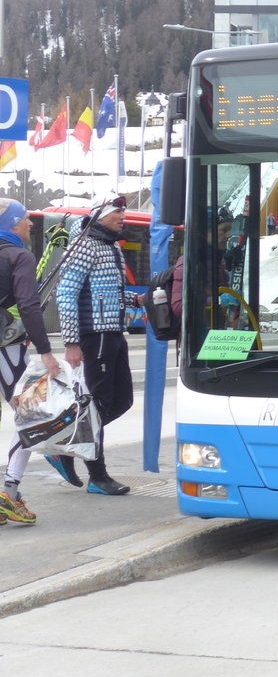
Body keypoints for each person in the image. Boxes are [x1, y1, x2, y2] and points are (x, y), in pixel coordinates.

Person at [53, 194, 142, 496]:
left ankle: (66, 445)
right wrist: (71, 342)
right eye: (118, 211)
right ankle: (98, 476)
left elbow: (108, 291)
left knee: (122, 401)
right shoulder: (84, 245)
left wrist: (136, 299)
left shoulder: (110, 246)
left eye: (123, 211)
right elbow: (65, 295)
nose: (123, 216)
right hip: (95, 336)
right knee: (99, 404)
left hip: (113, 333)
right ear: (100, 215)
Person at [0, 200, 63, 524]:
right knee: (31, 416)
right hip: (7, 348)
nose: (31, 224)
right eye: (25, 219)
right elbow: (29, 306)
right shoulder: (18, 256)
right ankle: (10, 492)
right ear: (12, 223)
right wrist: (46, 351)